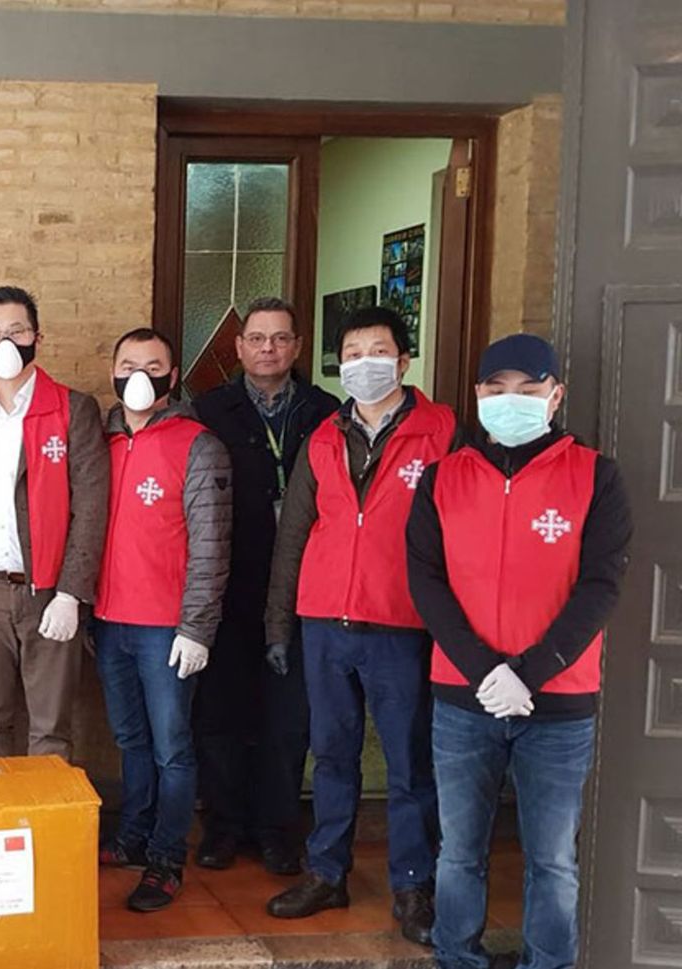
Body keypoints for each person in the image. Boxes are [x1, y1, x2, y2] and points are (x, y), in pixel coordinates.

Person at [407, 334, 630, 969]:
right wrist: (485, 672)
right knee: (459, 850)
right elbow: (427, 580)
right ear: (477, 396)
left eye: (529, 390)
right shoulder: (442, 478)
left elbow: (600, 586)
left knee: (553, 859)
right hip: (464, 697)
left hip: (558, 703)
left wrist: (529, 674)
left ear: (555, 395)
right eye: (497, 389)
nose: (512, 401)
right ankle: (457, 957)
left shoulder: (595, 476)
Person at [264, 305, 455, 945]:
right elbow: (294, 534)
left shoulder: (443, 433)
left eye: (377, 351)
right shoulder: (322, 436)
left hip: (402, 622)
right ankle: (327, 872)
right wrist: (279, 622)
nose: (363, 363)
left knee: (408, 762)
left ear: (403, 360)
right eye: (351, 353)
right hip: (325, 618)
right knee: (333, 753)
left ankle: (412, 884)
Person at [191, 297, 338, 875]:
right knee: (220, 714)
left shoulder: (327, 413)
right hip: (229, 581)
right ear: (239, 347)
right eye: (257, 339)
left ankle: (278, 829)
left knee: (287, 717)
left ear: (297, 347)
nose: (268, 349)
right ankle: (223, 825)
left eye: (280, 339)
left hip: (304, 584)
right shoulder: (208, 411)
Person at [94, 328, 231, 912]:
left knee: (172, 747)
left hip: (166, 629)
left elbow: (211, 544)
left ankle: (165, 858)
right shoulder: (100, 442)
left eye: (153, 367)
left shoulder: (199, 445)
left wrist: (197, 627)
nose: (139, 377)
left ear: (172, 378)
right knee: (130, 739)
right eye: (128, 365)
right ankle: (133, 837)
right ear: (114, 372)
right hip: (108, 621)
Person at [0, 285, 108, 761]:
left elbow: (92, 504)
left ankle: (44, 834)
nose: (6, 343)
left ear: (38, 336)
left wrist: (71, 592)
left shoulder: (73, 409)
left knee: (50, 730)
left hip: (48, 593)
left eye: (16, 331)